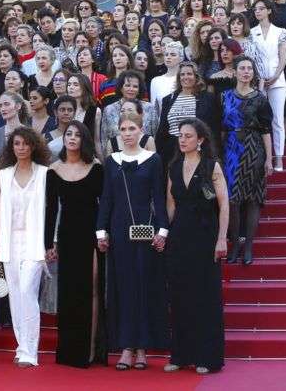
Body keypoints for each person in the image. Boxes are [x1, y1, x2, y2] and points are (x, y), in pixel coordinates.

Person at [96, 112, 169, 370]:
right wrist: (100, 231)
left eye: (132, 129)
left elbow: (159, 197)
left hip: (147, 229)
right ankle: (126, 347)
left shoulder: (154, 160)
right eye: (123, 129)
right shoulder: (111, 161)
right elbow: (106, 198)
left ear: (141, 131)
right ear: (118, 133)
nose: (127, 134)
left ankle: (142, 348)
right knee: (123, 287)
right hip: (118, 231)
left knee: (143, 286)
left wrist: (163, 230)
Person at [165, 118, 229, 374]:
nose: (182, 139)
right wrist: (168, 233)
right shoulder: (173, 167)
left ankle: (207, 356)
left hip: (205, 237)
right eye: (180, 135)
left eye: (188, 136)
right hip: (180, 237)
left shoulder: (211, 166)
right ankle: (181, 355)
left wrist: (222, 238)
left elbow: (224, 204)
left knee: (205, 296)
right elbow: (170, 204)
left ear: (200, 140)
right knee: (180, 295)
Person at [0, 126, 50, 367]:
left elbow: (52, 210)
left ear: (33, 146)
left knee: (27, 291)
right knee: (15, 295)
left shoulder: (45, 173)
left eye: (25, 144)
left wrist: (50, 242)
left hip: (34, 242)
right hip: (10, 240)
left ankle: (30, 351)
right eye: (17, 144)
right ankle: (21, 345)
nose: (21, 148)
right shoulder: (4, 174)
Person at [45, 121, 105, 368]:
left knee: (91, 288)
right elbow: (50, 210)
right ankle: (69, 351)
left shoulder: (96, 167)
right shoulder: (53, 169)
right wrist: (48, 243)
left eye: (77, 135)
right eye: (68, 134)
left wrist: (102, 235)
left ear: (85, 140)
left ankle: (91, 350)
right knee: (68, 292)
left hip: (91, 234)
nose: (71, 138)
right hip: (67, 234)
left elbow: (105, 204)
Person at [223, 57, 274, 265]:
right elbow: (220, 128)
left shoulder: (260, 98)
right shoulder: (224, 96)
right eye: (242, 68)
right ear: (235, 72)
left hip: (254, 148)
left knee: (253, 199)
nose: (246, 72)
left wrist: (269, 159)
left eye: (249, 69)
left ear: (253, 73)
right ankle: (235, 245)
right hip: (231, 148)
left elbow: (266, 130)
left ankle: (249, 246)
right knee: (233, 200)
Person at [156, 62, 221, 174]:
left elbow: (213, 128)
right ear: (178, 78)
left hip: (198, 149)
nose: (186, 77)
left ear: (196, 77)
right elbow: (162, 129)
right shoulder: (168, 99)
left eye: (189, 74)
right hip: (171, 150)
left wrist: (216, 153)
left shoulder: (208, 98)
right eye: (182, 74)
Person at [251, 0, 286, 171]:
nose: (257, 11)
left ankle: (279, 158)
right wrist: (260, 79)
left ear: (269, 10)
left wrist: (275, 76)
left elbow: (283, 57)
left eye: (260, 8)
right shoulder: (251, 33)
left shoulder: (280, 31)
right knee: (260, 120)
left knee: (278, 119)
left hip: (278, 80)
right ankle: (265, 157)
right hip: (258, 81)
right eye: (255, 9)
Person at [103, 70, 156, 139]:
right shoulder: (109, 110)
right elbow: (104, 137)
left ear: (139, 90)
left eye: (135, 86)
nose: (131, 89)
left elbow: (155, 135)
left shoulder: (149, 108)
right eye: (127, 85)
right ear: (121, 88)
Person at [0, 91, 28, 159]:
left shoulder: (29, 133)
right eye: (0, 105)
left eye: (7, 104)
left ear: (18, 106)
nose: (3, 109)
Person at [228, 13, 269, 88]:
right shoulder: (225, 44)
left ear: (244, 26)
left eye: (239, 23)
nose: (235, 26)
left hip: (250, 86)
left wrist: (260, 91)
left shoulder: (252, 45)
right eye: (232, 24)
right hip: (228, 85)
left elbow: (260, 71)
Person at [149, 41, 183, 116]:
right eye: (166, 54)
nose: (168, 57)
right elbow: (154, 111)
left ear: (181, 58)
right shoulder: (156, 81)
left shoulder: (185, 79)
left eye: (173, 55)